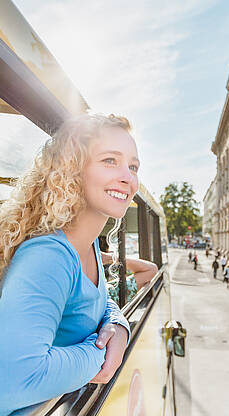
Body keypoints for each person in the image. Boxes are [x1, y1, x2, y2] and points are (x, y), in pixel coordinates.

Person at [0, 114, 135, 415]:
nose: (128, 176)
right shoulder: (49, 256)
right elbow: (12, 382)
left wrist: (118, 325)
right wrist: (99, 354)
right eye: (110, 160)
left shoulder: (85, 251)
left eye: (133, 166)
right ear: (73, 168)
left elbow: (99, 305)